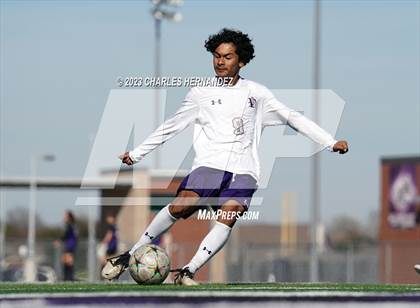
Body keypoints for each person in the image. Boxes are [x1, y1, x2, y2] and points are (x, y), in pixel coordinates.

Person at [102, 28, 349, 285]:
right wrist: (137, 153)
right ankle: (129, 256)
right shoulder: (200, 93)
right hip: (210, 165)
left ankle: (188, 271)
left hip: (245, 170)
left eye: (228, 57)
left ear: (241, 61)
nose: (220, 62)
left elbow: (293, 118)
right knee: (181, 205)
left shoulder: (258, 93)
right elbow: (172, 125)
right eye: (217, 56)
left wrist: (330, 142)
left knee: (228, 215)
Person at [55, 210, 77, 281]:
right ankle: (67, 278)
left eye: (65, 216)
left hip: (70, 245)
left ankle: (69, 278)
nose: (64, 217)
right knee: (66, 261)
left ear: (69, 217)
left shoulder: (70, 225)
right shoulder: (71, 225)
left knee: (68, 262)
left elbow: (65, 235)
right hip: (70, 245)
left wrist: (59, 240)